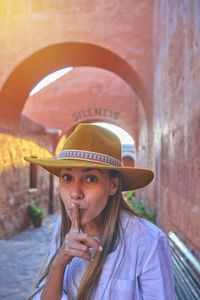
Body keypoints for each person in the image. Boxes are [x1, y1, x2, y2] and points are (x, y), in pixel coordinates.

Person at [25, 123, 175, 300]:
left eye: (90, 178)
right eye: (67, 177)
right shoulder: (62, 228)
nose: (75, 193)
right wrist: (59, 263)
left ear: (113, 185)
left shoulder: (148, 242)